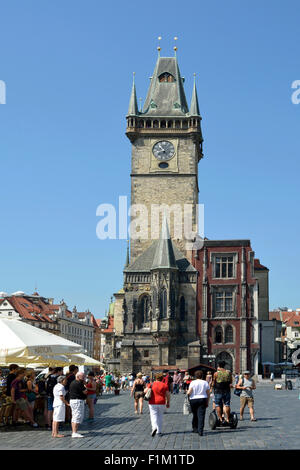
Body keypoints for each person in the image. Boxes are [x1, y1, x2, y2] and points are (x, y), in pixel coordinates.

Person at [146, 372, 170, 437]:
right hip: (162, 402)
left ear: (155, 378)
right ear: (162, 378)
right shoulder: (165, 385)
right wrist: (168, 402)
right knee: (160, 416)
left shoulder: (151, 384)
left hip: (152, 402)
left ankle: (154, 427)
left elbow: (145, 391)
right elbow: (168, 395)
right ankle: (159, 431)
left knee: (153, 416)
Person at [187, 370, 210, 436]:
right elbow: (208, 393)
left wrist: (187, 392)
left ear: (195, 376)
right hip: (202, 399)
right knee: (201, 415)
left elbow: (189, 392)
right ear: (202, 376)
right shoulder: (205, 382)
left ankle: (195, 428)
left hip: (193, 399)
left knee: (195, 414)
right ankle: (200, 430)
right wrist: (207, 402)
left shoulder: (193, 382)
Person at [69, 372, 88, 438]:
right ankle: (74, 432)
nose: (84, 378)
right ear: (78, 377)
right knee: (77, 416)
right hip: (77, 401)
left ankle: (74, 431)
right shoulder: (78, 383)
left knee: (75, 416)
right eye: (83, 377)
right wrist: (85, 385)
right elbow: (85, 391)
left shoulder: (73, 382)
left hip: (74, 400)